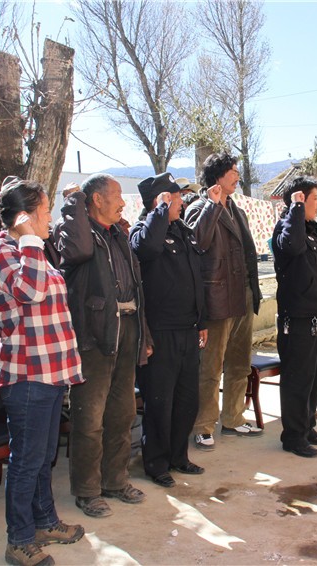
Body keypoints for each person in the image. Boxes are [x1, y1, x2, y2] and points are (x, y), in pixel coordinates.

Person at [0, 179, 85, 566]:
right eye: (44, 211)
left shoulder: (33, 252)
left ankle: (44, 521)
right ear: (25, 217)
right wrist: (29, 238)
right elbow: (30, 292)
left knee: (43, 458)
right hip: (27, 375)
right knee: (26, 461)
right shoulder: (4, 255)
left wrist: (32, 242)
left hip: (52, 371)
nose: (50, 218)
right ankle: (19, 540)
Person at [53, 174, 151, 518]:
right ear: (96, 200)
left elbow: (136, 287)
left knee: (122, 413)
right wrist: (73, 203)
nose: (122, 203)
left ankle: (115, 480)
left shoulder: (117, 234)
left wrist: (145, 337)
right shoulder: (74, 232)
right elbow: (77, 251)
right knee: (90, 418)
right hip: (93, 336)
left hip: (127, 328)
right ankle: (87, 491)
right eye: (116, 195)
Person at [130, 172, 207, 486]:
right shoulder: (142, 230)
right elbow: (147, 249)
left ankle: (178, 456)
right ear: (159, 201)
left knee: (187, 400)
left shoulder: (183, 231)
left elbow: (196, 279)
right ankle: (156, 463)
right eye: (174, 197)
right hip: (160, 333)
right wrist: (160, 211)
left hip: (188, 329)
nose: (181, 203)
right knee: (160, 403)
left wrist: (201, 322)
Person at [185, 152, 262, 450]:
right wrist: (212, 205)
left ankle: (233, 417)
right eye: (232, 171)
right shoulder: (199, 207)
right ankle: (204, 425)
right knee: (210, 367)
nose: (237, 176)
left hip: (243, 294)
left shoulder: (237, 209)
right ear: (217, 175)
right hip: (217, 299)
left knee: (240, 362)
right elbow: (197, 242)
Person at [271, 175, 317, 458]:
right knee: (297, 380)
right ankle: (293, 437)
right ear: (299, 200)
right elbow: (293, 247)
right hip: (296, 320)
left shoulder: (312, 230)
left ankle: (307, 427)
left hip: (316, 316)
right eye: (314, 199)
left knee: (314, 377)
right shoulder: (287, 229)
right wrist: (295, 209)